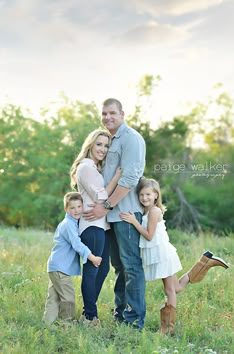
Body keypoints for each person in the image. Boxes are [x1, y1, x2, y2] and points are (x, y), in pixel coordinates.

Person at [120, 177, 229, 335]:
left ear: (156, 195)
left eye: (148, 195)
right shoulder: (146, 210)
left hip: (162, 254)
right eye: (142, 195)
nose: (144, 198)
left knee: (171, 290)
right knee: (175, 288)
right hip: (158, 254)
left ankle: (167, 329)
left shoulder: (154, 211)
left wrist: (133, 222)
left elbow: (149, 236)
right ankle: (205, 263)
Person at [83, 98, 146, 329]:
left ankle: (134, 320)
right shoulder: (109, 140)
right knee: (119, 267)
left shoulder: (131, 139)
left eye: (112, 113)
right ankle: (121, 315)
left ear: (122, 114)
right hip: (109, 217)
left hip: (125, 213)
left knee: (131, 266)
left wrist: (105, 205)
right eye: (104, 113)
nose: (108, 117)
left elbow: (129, 179)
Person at [70, 129, 122, 326]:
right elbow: (102, 197)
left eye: (106, 146)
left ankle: (87, 313)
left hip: (102, 226)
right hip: (91, 225)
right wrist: (117, 177)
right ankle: (91, 316)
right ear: (90, 144)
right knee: (93, 270)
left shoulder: (95, 168)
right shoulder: (85, 167)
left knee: (103, 269)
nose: (103, 149)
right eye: (99, 144)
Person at [42, 192, 102, 326]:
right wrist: (92, 257)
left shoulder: (72, 222)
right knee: (68, 297)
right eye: (72, 208)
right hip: (60, 268)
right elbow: (77, 244)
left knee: (54, 297)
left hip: (55, 266)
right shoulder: (69, 224)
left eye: (79, 206)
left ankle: (48, 324)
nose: (76, 210)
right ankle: (66, 324)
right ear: (66, 209)